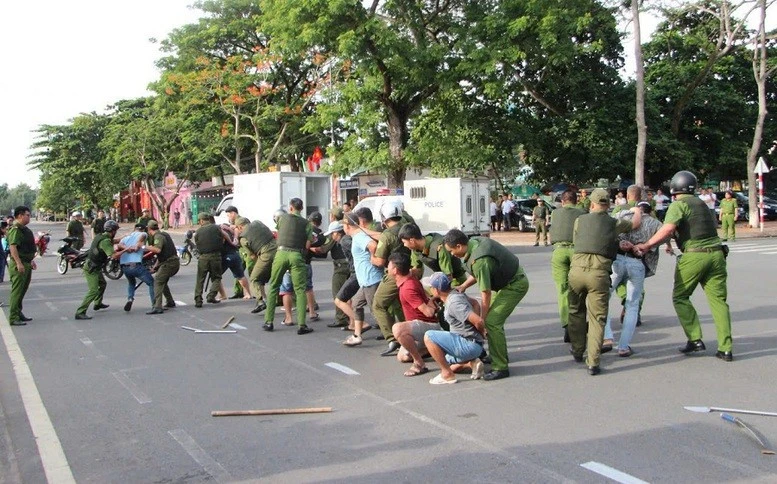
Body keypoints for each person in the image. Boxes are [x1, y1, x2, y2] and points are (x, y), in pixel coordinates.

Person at [635, 170, 733, 362]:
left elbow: (668, 229)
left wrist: (647, 245)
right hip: (717, 254)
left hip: (694, 256)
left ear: (674, 187)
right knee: (719, 301)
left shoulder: (678, 205)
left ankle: (695, 338)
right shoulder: (703, 204)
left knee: (680, 297)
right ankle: (726, 348)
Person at [567, 188, 641, 375]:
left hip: (576, 269)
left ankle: (577, 350)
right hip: (599, 273)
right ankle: (593, 362)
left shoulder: (579, 220)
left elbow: (579, 239)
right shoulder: (614, 222)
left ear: (591, 204)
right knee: (597, 318)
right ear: (608, 205)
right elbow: (633, 224)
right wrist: (637, 210)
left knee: (575, 311)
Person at [444, 229, 530, 381]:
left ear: (459, 246)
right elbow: (480, 273)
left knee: (491, 322)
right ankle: (498, 354)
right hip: (505, 282)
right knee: (493, 321)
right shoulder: (474, 243)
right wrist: (464, 286)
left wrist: (482, 320)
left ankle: (501, 367)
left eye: (451, 251)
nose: (451, 254)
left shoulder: (480, 260)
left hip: (515, 285)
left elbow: (485, 292)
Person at [602, 201, 665, 357]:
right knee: (632, 304)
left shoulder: (619, 215)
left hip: (616, 260)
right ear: (649, 211)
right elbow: (664, 237)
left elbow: (606, 233)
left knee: (602, 299)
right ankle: (624, 347)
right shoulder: (654, 223)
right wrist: (646, 245)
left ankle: (607, 336)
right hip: (637, 262)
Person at [423, 272, 486, 384]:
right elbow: (475, 303)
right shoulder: (455, 294)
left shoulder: (454, 303)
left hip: (468, 344)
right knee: (445, 359)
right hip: (471, 344)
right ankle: (472, 363)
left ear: (436, 290)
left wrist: (481, 332)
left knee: (429, 336)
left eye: (431, 287)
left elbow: (478, 320)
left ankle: (447, 374)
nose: (430, 290)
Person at [263, 198, 314, 334]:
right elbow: (308, 244)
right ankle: (302, 325)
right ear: (301, 208)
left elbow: (280, 233)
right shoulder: (306, 223)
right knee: (300, 290)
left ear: (291, 207)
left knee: (274, 286)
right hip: (296, 255)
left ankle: (269, 322)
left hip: (281, 253)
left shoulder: (282, 218)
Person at [388, 252, 443, 377]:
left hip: (429, 325)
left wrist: (432, 304)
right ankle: (431, 348)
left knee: (398, 329)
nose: (387, 269)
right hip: (419, 326)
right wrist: (430, 300)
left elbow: (428, 313)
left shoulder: (408, 288)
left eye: (389, 266)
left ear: (395, 270)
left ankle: (419, 363)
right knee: (402, 357)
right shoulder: (410, 278)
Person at [370, 200, 412, 356]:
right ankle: (407, 335)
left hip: (394, 274)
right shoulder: (406, 228)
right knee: (399, 306)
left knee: (378, 305)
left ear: (384, 217)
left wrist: (371, 255)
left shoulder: (387, 236)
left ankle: (392, 339)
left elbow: (380, 262)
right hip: (410, 272)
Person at [339, 210, 382, 346]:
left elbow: (373, 245)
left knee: (377, 310)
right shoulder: (358, 236)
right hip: (366, 280)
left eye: (343, 225)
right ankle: (357, 335)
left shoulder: (359, 237)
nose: (343, 228)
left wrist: (372, 257)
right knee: (357, 303)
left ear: (347, 225)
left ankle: (395, 338)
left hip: (371, 279)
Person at [549, 190, 585, 342]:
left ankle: (567, 324)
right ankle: (578, 323)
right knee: (579, 289)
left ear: (563, 202)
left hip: (559, 251)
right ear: (576, 201)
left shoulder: (555, 213)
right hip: (576, 251)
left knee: (562, 289)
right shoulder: (582, 213)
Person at [75, 220, 124, 320]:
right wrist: (126, 250)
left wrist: (125, 238)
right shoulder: (105, 241)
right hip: (91, 268)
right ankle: (80, 312)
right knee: (93, 290)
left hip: (95, 266)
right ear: (112, 230)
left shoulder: (101, 236)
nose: (116, 233)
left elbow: (114, 241)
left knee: (102, 284)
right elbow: (113, 255)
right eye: (115, 230)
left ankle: (97, 303)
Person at [398, 223, 467, 286]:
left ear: (412, 241)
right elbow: (417, 269)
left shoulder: (439, 248)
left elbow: (448, 275)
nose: (404, 245)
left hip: (455, 279)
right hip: (441, 277)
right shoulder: (415, 249)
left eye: (404, 242)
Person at [311, 220, 351, 328]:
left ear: (337, 232)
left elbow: (324, 249)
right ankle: (351, 319)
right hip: (350, 267)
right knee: (349, 293)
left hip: (340, 267)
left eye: (332, 234)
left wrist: (311, 248)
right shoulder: (350, 236)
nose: (332, 236)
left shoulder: (339, 239)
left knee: (337, 293)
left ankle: (341, 318)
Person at [235, 217, 276, 314]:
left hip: (266, 254)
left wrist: (260, 264)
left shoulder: (243, 238)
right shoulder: (258, 222)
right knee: (279, 277)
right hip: (278, 249)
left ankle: (261, 301)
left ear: (240, 227)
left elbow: (252, 256)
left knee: (254, 278)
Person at [6, 206, 37, 325]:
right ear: (20, 215)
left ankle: (18, 312)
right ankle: (13, 317)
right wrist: (19, 263)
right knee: (17, 291)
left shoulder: (23, 229)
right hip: (19, 263)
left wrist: (31, 260)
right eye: (27, 215)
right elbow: (13, 247)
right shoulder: (16, 229)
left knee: (22, 290)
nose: (29, 217)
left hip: (26, 262)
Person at [145, 221, 180, 314]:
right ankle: (170, 301)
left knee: (158, 281)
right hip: (172, 262)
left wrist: (144, 246)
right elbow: (162, 256)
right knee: (162, 281)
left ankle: (157, 307)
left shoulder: (158, 236)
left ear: (149, 229)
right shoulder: (164, 234)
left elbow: (157, 250)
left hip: (170, 263)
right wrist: (155, 267)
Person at [117, 224, 154, 312]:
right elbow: (140, 242)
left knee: (131, 282)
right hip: (135, 265)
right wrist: (136, 247)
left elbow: (119, 245)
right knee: (152, 283)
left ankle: (130, 298)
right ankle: (155, 304)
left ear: (134, 229)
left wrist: (126, 248)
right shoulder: (143, 234)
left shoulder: (127, 236)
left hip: (124, 266)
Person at [193, 213, 224, 308]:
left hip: (203, 257)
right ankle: (211, 295)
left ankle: (198, 299)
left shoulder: (198, 232)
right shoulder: (216, 228)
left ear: (201, 221)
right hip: (216, 256)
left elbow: (197, 244)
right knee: (217, 277)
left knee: (200, 279)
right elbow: (222, 239)